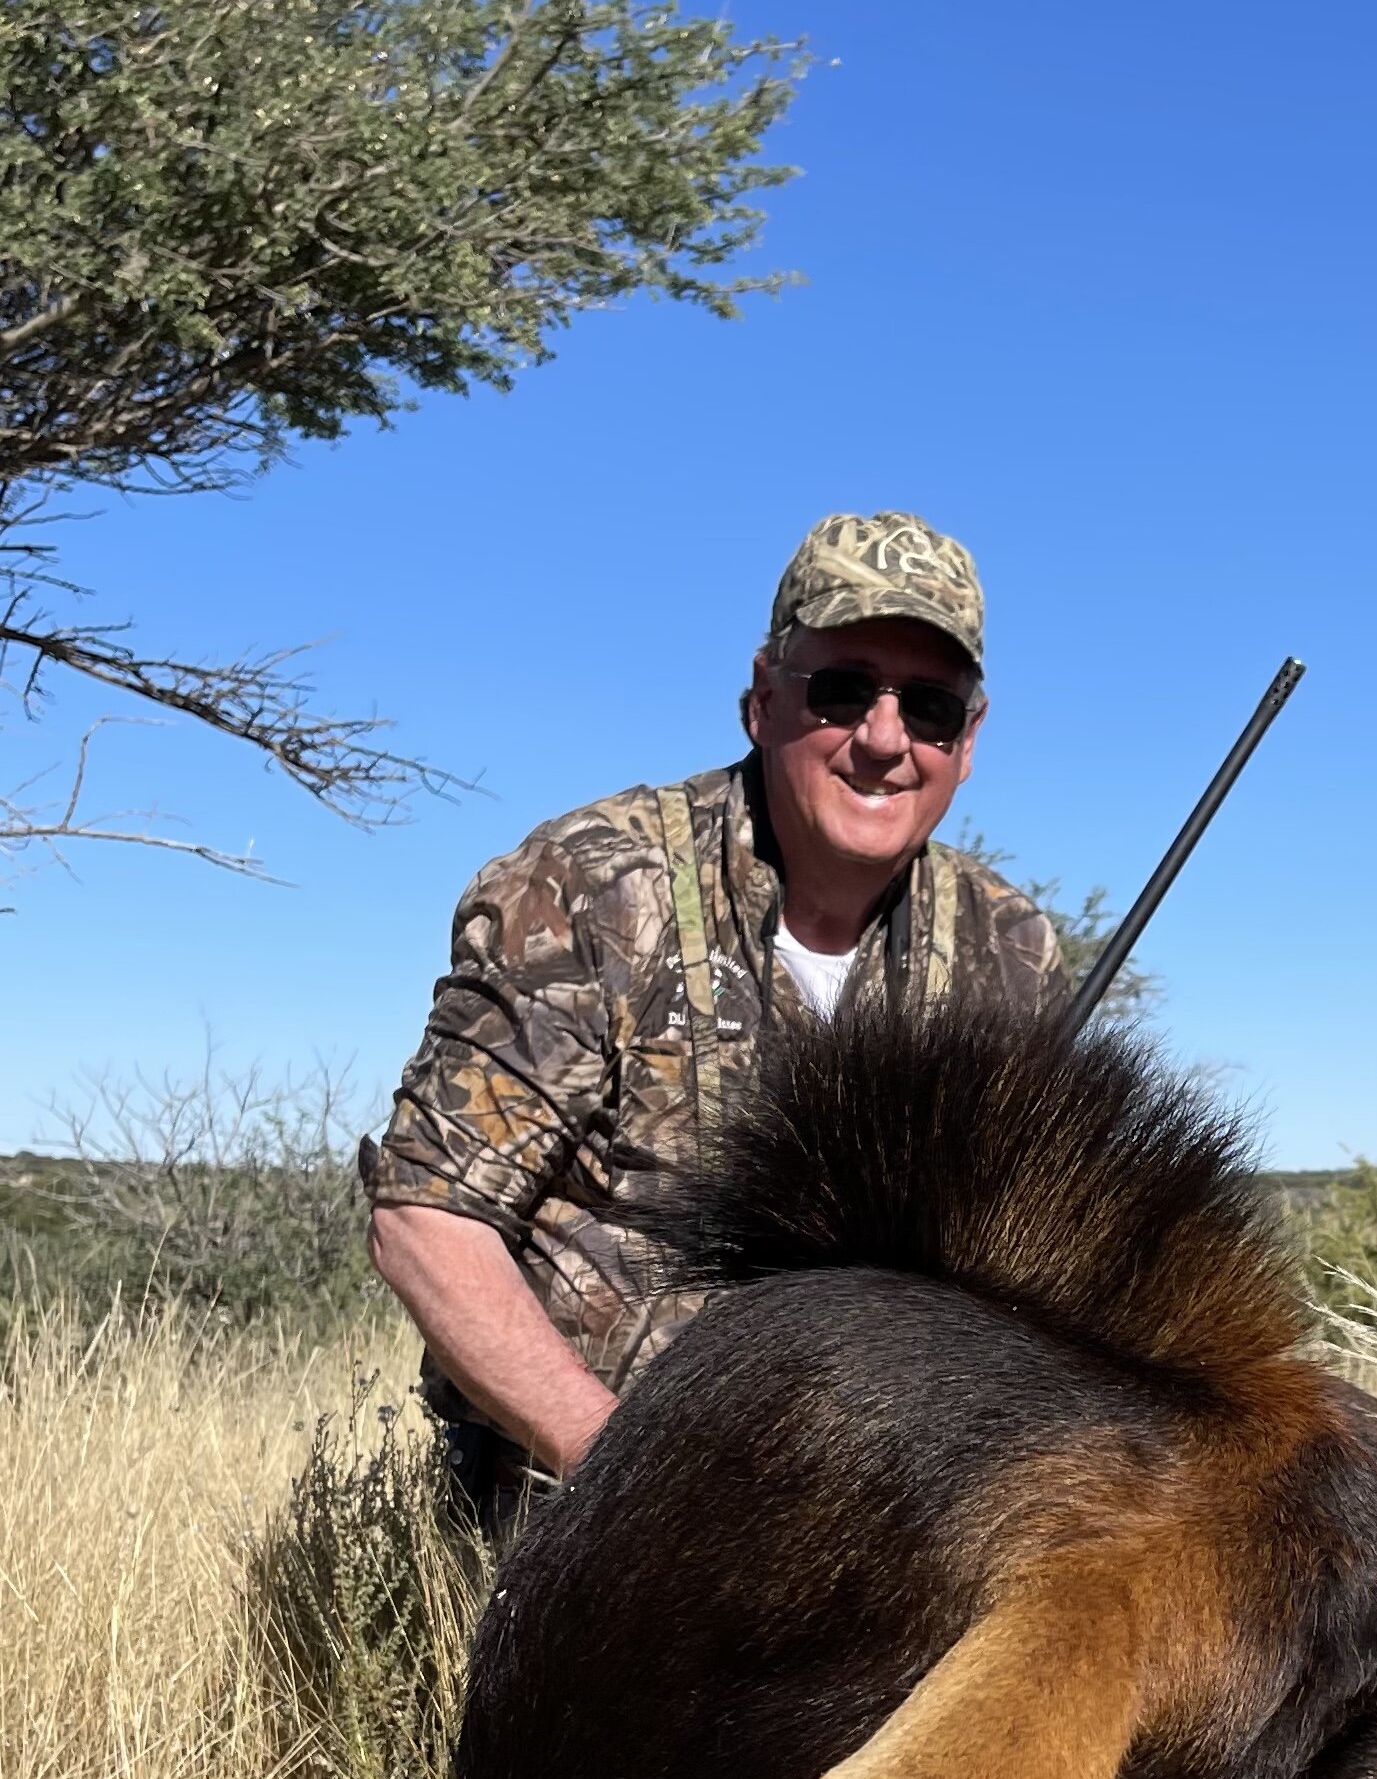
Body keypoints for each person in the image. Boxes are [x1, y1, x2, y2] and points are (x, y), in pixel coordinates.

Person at [364, 509, 1068, 1532]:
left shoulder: (1009, 949)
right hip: (588, 1516)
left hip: (891, 1526)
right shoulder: (591, 883)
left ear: (970, 739)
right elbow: (426, 1222)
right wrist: (621, 1475)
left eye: (928, 707)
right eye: (842, 690)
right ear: (761, 697)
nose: (883, 738)